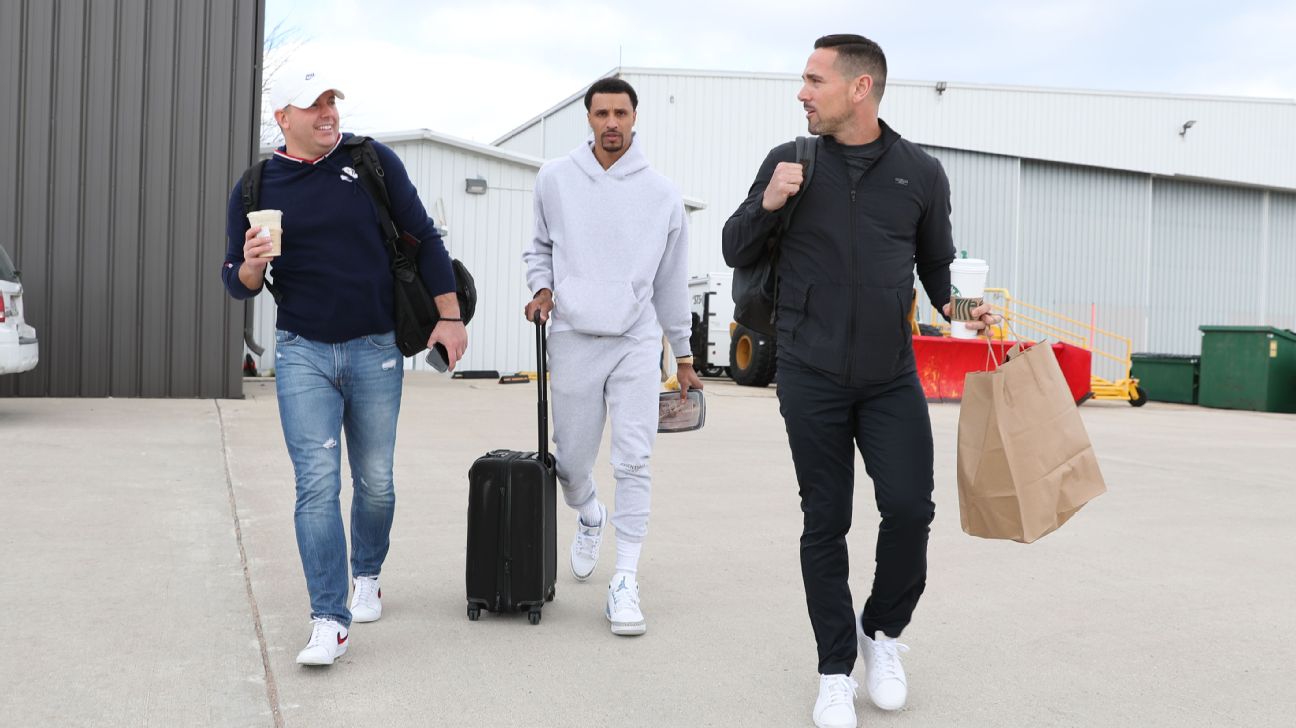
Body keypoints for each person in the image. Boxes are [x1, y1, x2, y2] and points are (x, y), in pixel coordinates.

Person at [722, 35, 997, 728]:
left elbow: (937, 272)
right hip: (810, 374)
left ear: (860, 87)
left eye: (815, 79)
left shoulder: (919, 173)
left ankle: (883, 632)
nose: (803, 92)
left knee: (910, 509)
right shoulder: (790, 162)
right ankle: (834, 669)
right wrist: (771, 203)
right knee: (827, 521)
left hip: (888, 377)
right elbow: (734, 245)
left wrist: (968, 310)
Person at [221, 65, 467, 666]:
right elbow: (236, 282)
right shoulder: (256, 188)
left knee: (376, 481)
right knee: (316, 486)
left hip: (375, 347)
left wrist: (449, 316)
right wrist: (252, 265)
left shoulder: (371, 163)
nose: (328, 113)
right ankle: (328, 619)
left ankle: (368, 575)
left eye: (332, 101)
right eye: (314, 105)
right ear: (283, 118)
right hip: (302, 350)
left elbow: (424, 237)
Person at [523, 77, 701, 636]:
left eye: (621, 113)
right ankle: (591, 515)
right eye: (602, 113)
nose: (612, 124)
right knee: (570, 463)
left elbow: (672, 282)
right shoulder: (554, 178)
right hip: (574, 334)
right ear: (589, 117)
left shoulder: (662, 193)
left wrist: (685, 353)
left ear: (635, 117)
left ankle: (625, 578)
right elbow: (540, 247)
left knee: (633, 459)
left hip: (635, 340)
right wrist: (542, 288)